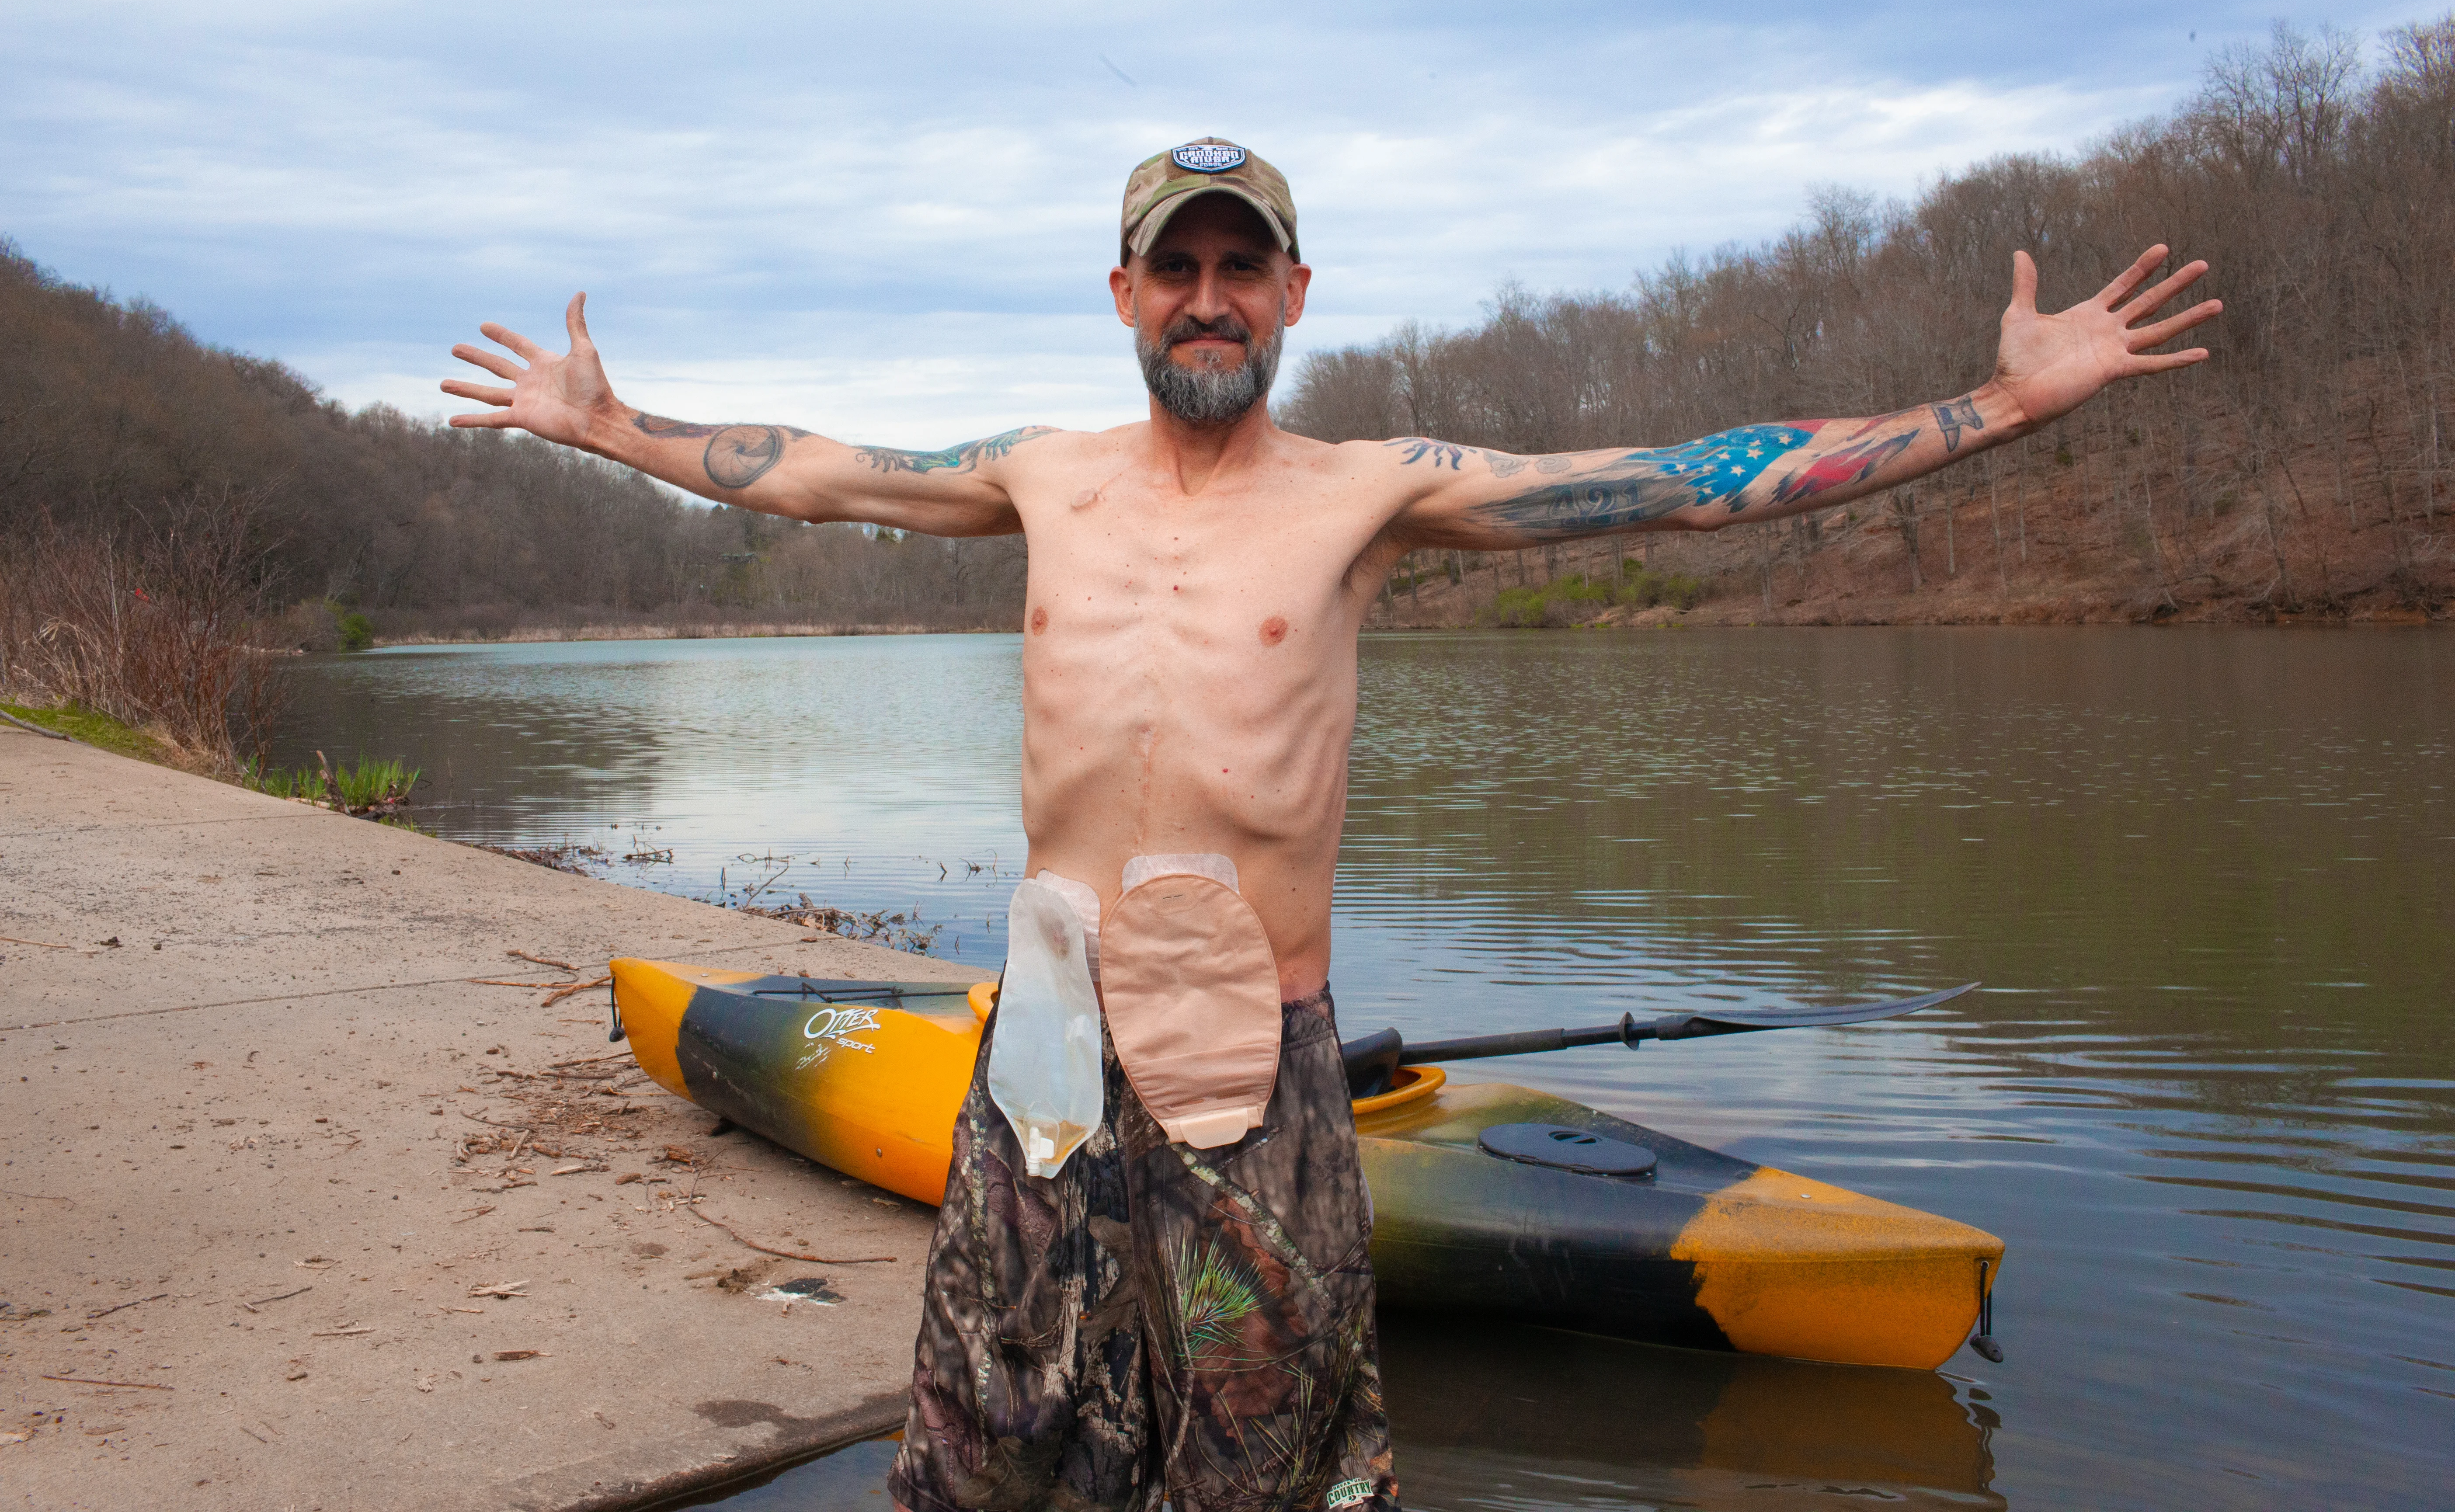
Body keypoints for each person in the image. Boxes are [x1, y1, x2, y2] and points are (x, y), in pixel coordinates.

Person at [442, 138, 2219, 1512]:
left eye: (1241, 266)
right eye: (1175, 269)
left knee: (1271, 1453)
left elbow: (1692, 482)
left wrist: (2003, 404)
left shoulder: (1377, 495)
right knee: (992, 1436)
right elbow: (820, 471)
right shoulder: (1034, 476)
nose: (1207, 297)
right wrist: (610, 428)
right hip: (1047, 1064)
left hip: (1254, 1070)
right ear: (1122, 296)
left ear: (1295, 293)